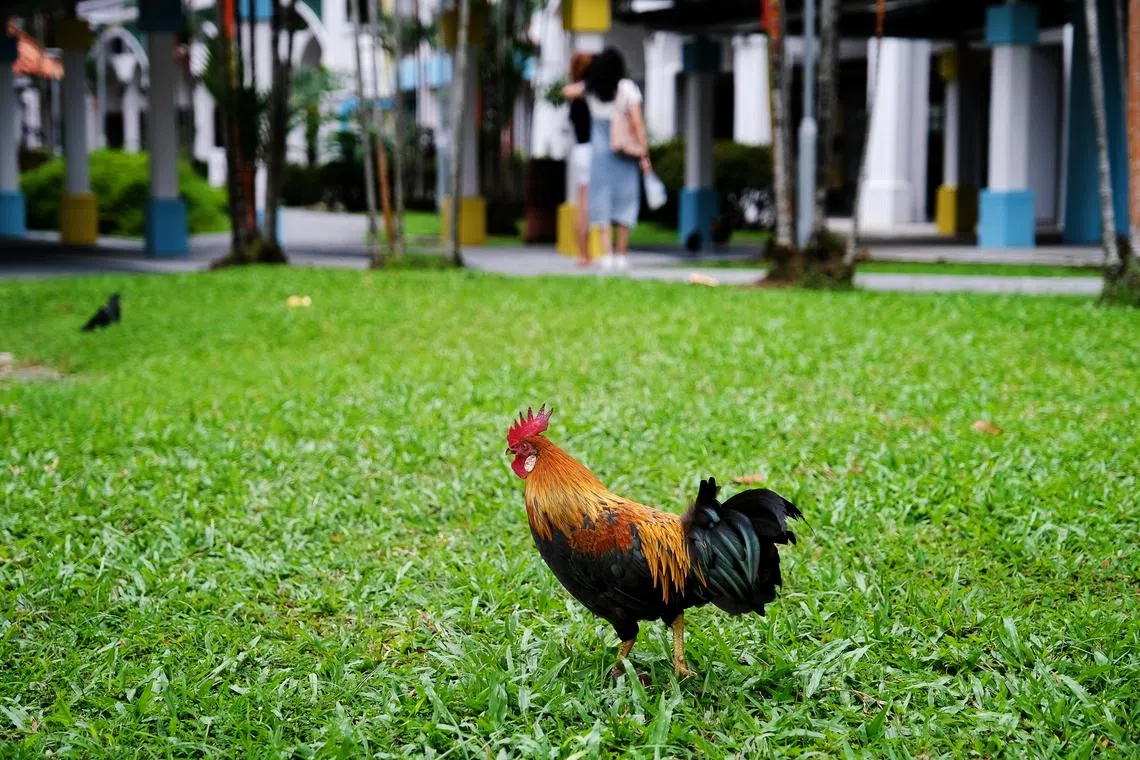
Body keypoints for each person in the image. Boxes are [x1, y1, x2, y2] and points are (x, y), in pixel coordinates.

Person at [564, 47, 650, 273]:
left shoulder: (592, 90)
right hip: (622, 152)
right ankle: (621, 253)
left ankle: (606, 253)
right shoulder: (626, 88)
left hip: (598, 153)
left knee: (600, 200)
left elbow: (567, 91)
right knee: (625, 200)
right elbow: (637, 122)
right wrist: (643, 151)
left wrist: (586, 77)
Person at [568, 52, 594, 267]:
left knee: (583, 203)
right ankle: (585, 254)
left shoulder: (577, 91)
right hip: (591, 151)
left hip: (580, 150)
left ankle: (584, 253)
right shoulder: (589, 91)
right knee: (586, 205)